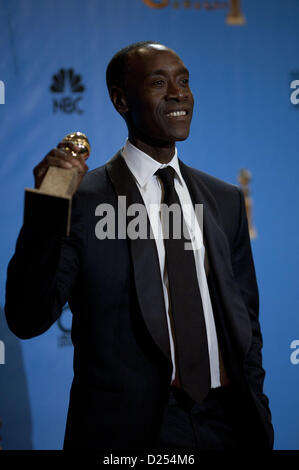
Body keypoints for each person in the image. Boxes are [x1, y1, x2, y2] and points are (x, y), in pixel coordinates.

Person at [5, 41, 274, 451]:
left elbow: (246, 323)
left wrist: (257, 409)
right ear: (120, 100)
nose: (178, 93)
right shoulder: (82, 200)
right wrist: (48, 207)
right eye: (158, 82)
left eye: (183, 81)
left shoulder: (224, 200)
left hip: (226, 425)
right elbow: (28, 317)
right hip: (130, 434)